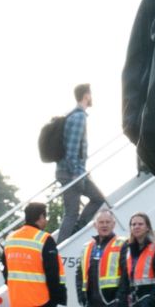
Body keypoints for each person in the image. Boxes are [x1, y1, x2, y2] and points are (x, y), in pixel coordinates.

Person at [58, 83, 107, 241]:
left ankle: (76, 229)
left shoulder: (72, 115)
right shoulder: (79, 117)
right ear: (86, 95)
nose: (91, 98)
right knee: (71, 213)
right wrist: (77, 175)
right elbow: (72, 149)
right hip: (72, 172)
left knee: (97, 199)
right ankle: (61, 248)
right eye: (90, 94)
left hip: (71, 171)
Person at [4, 202, 66, 307]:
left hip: (17, 301)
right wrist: (58, 300)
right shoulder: (44, 239)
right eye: (45, 217)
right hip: (40, 301)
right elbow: (53, 274)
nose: (46, 220)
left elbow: (6, 271)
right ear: (41, 216)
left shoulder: (10, 238)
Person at [116, 212, 155, 307]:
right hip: (135, 300)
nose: (136, 227)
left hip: (153, 300)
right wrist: (121, 301)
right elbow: (125, 279)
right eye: (133, 224)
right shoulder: (128, 249)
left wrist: (150, 302)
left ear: (148, 227)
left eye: (140, 224)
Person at [76, 209, 124, 307]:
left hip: (113, 301)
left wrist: (120, 299)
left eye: (108, 222)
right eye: (101, 222)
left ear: (113, 224)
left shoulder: (122, 244)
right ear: (95, 225)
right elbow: (79, 273)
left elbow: (126, 275)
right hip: (91, 302)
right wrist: (80, 295)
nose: (104, 225)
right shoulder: (87, 247)